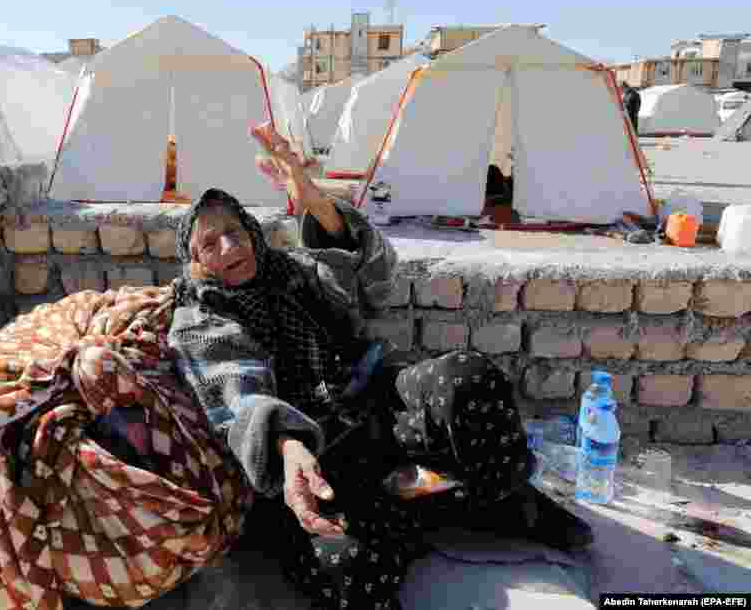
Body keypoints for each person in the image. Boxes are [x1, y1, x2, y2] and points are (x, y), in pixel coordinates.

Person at [168, 125, 593, 610]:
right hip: (316, 459)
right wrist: (286, 446)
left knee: (466, 379)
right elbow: (238, 393)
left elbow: (375, 278)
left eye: (233, 232)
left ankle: (501, 504)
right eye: (209, 244)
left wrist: (315, 199)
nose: (228, 247)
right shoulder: (201, 315)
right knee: (346, 571)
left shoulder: (295, 272)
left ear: (250, 232)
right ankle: (418, 505)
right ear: (195, 260)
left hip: (377, 408)